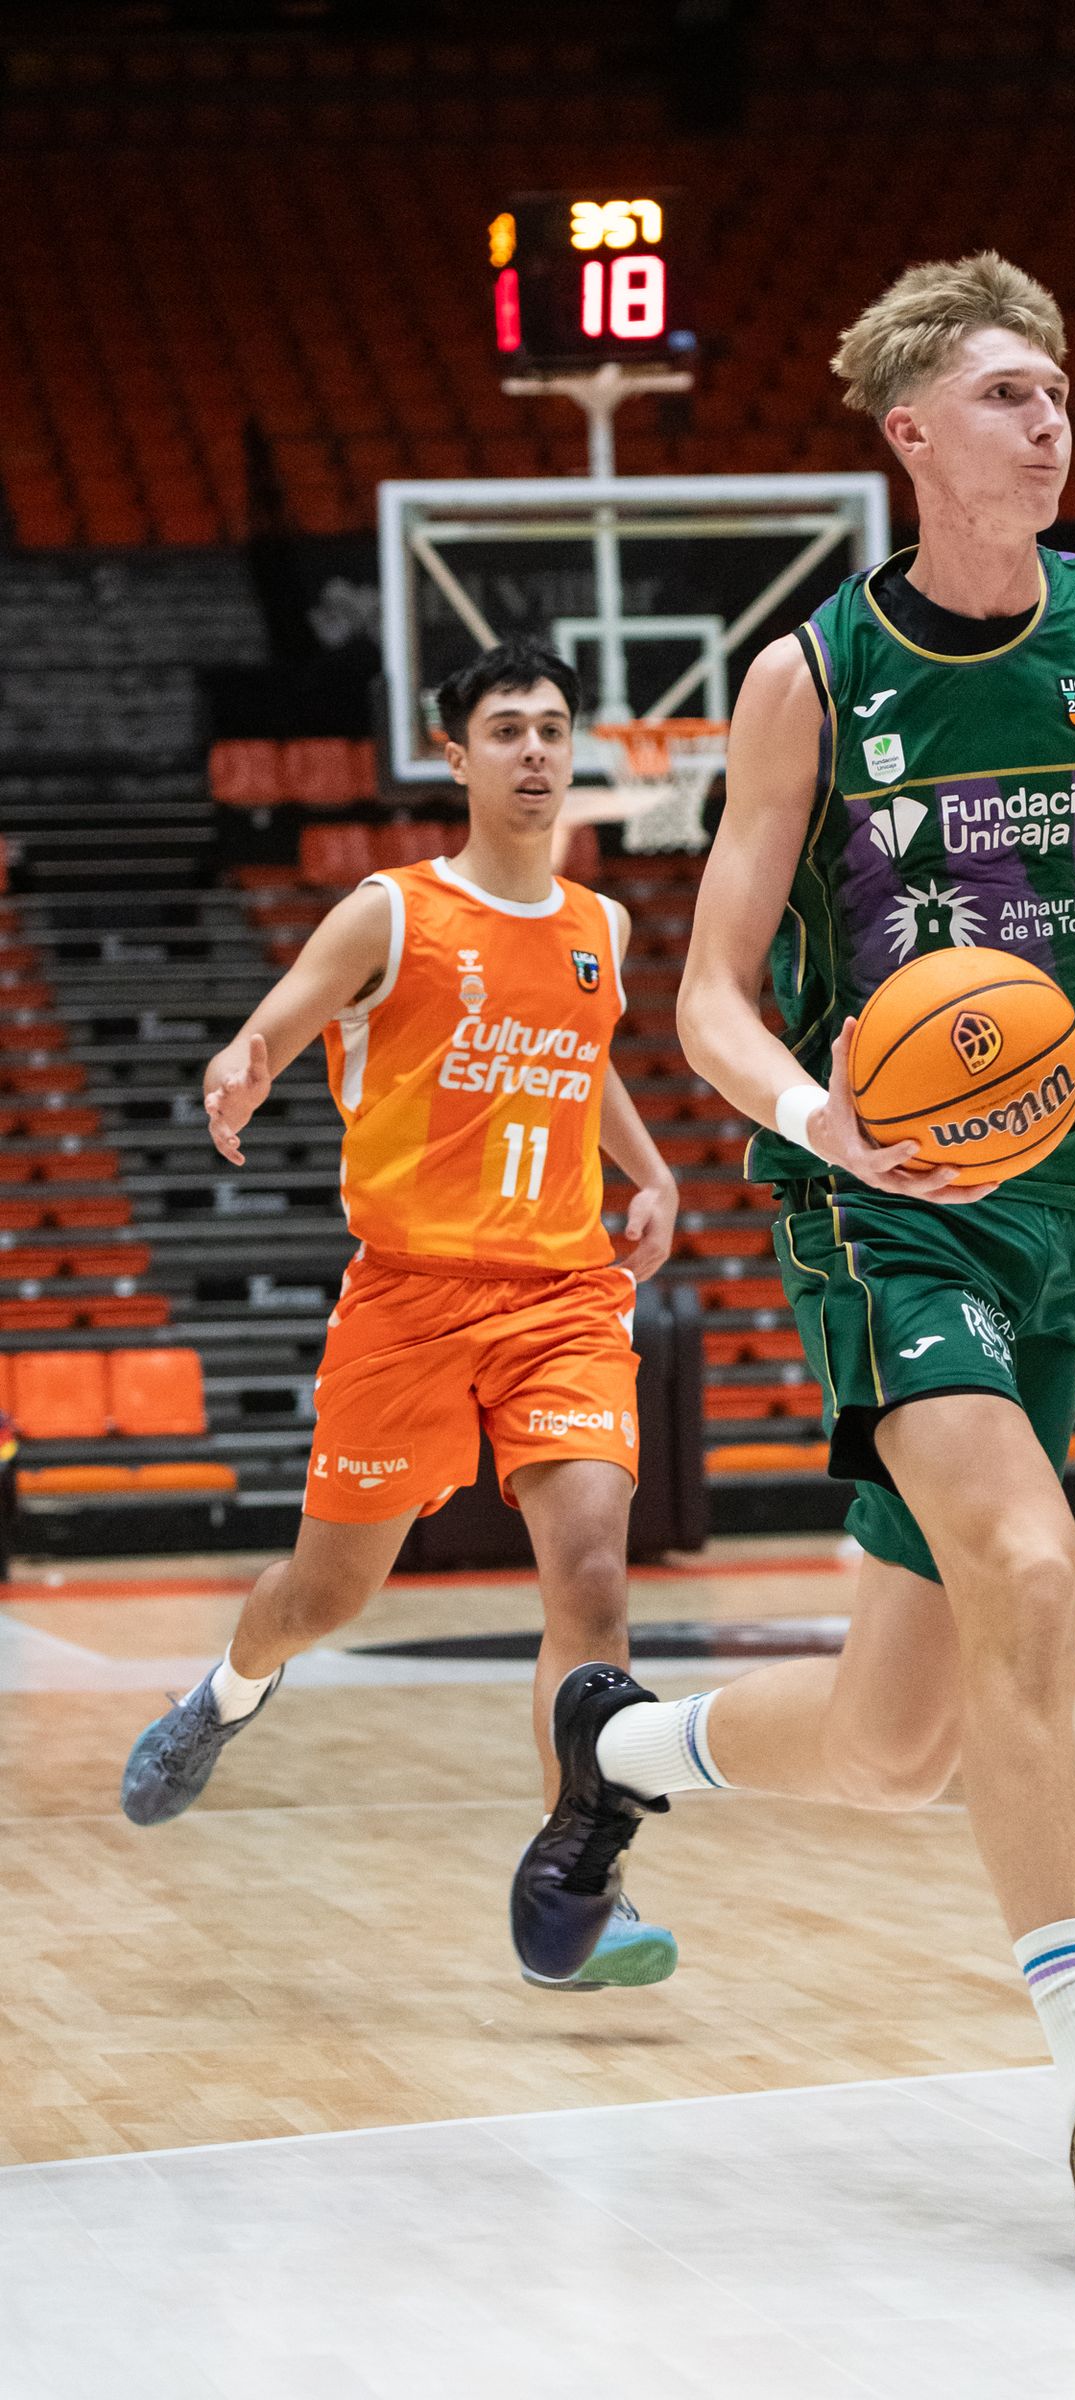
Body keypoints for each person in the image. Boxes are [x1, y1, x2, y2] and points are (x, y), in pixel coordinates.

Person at [510, 255, 1075, 2260]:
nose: (1048, 422)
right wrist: (811, 1117)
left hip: (1066, 1210)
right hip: (877, 1201)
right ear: (911, 435)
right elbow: (700, 1000)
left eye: (1056, 391)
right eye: (1007, 395)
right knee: (1028, 1564)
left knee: (896, 1740)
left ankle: (618, 1746)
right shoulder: (811, 678)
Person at [120, 638, 682, 1991]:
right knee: (327, 1592)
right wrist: (246, 1057)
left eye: (554, 728)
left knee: (594, 1572)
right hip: (410, 1300)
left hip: (559, 1292)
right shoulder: (393, 909)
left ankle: (583, 1875)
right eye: (509, 731)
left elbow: (583, 1059)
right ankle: (228, 1691)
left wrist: (649, 1167)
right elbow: (284, 1016)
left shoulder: (599, 927)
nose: (537, 752)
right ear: (457, 755)